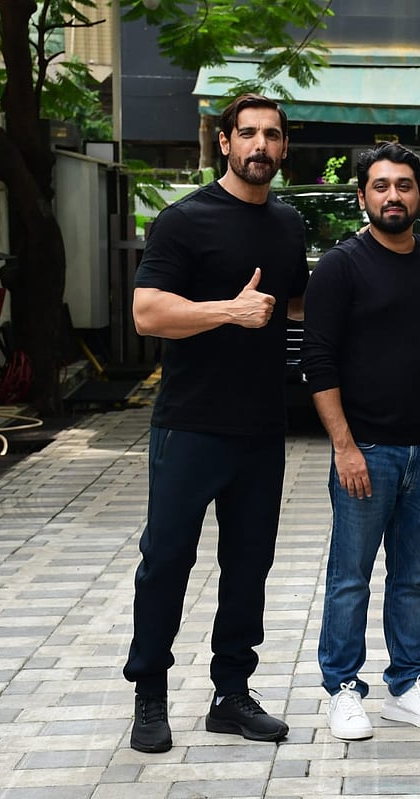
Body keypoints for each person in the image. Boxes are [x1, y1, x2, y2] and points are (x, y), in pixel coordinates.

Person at [123, 93, 307, 753]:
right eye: (249, 133)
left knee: (248, 564)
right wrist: (226, 311)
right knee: (166, 559)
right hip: (190, 424)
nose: (261, 145)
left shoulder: (288, 227)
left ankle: (231, 693)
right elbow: (147, 312)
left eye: (273, 135)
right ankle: (150, 691)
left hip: (261, 429)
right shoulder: (184, 221)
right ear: (225, 141)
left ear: (284, 148)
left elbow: (294, 310)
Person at [302, 142, 420, 741]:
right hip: (367, 453)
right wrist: (344, 447)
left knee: (414, 578)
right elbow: (318, 363)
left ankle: (407, 684)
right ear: (363, 197)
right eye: (380, 186)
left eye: (404, 185)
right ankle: (342, 689)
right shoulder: (340, 267)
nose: (393, 196)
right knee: (349, 576)